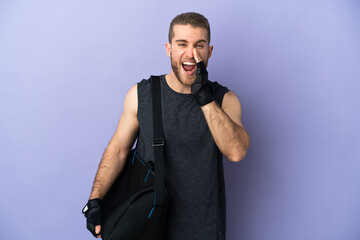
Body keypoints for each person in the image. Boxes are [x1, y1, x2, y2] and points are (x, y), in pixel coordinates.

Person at [83, 12, 250, 240]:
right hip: (147, 229)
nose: (191, 54)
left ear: (209, 51)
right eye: (182, 44)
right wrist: (95, 199)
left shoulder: (225, 99)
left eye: (199, 45)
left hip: (203, 231)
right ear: (168, 48)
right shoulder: (141, 95)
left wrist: (204, 98)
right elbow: (119, 149)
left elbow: (237, 152)